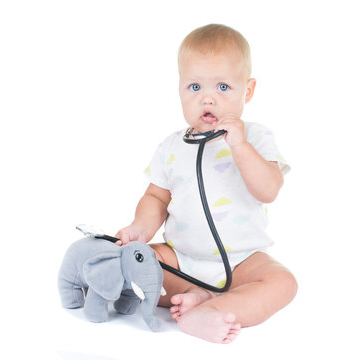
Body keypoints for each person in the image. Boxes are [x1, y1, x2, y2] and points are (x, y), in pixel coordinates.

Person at [116, 24, 297, 344]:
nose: (208, 98)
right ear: (180, 90)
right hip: (181, 259)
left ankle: (208, 310)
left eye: (224, 87)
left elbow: (268, 189)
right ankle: (195, 296)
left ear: (248, 91)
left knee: (282, 282)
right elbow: (156, 197)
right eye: (195, 86)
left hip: (242, 262)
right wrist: (140, 229)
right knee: (134, 263)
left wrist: (239, 146)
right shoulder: (171, 146)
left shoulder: (255, 137)